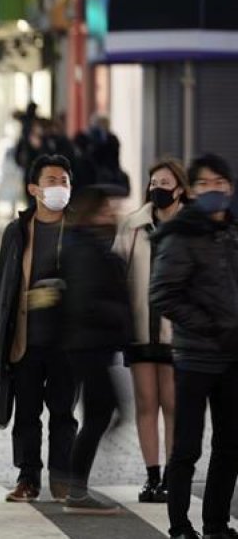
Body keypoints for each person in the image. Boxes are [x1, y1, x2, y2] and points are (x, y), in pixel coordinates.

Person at [150, 153, 238, 539]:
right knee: (186, 448)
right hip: (194, 357)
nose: (214, 190)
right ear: (192, 191)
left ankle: (216, 524)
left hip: (233, 356)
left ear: (230, 188)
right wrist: (212, 327)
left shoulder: (233, 233)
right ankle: (180, 525)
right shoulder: (181, 235)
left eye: (220, 183)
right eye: (204, 184)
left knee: (230, 446)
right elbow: (162, 294)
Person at [0, 154, 77, 503]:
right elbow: (3, 283)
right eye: (52, 181)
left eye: (64, 181)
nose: (59, 187)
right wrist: (0, 331)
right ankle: (28, 478)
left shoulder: (77, 232)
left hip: (67, 341)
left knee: (62, 413)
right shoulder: (18, 232)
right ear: (33, 188)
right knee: (26, 414)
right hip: (24, 338)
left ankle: (61, 477)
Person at [114, 159, 188, 504]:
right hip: (140, 331)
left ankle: (174, 476)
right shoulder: (133, 225)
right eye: (154, 181)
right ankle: (152, 476)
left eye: (165, 182)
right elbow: (117, 273)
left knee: (173, 404)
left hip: (179, 333)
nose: (158, 187)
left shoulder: (191, 228)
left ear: (181, 189)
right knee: (147, 403)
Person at [59, 185, 133, 514]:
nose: (112, 214)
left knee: (103, 412)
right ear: (92, 213)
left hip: (92, 345)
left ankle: (74, 481)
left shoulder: (89, 245)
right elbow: (86, 302)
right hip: (88, 344)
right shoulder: (87, 249)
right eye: (105, 209)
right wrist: (120, 315)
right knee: (102, 413)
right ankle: (75, 487)